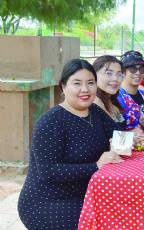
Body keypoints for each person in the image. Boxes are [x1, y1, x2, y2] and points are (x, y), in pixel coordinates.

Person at [18, 59, 123, 229]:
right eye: (77, 83)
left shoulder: (95, 111)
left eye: (90, 83)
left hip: (85, 193)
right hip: (48, 202)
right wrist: (96, 166)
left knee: (124, 207)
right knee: (110, 218)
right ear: (63, 86)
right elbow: (48, 171)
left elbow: (118, 135)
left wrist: (120, 142)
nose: (85, 89)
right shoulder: (50, 122)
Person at [118, 50, 144, 131]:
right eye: (132, 69)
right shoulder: (116, 98)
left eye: (142, 69)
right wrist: (141, 127)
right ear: (123, 72)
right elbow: (114, 135)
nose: (138, 73)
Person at [92, 55, 127, 130]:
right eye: (109, 73)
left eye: (119, 74)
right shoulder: (94, 103)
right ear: (93, 75)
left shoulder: (111, 100)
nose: (115, 79)